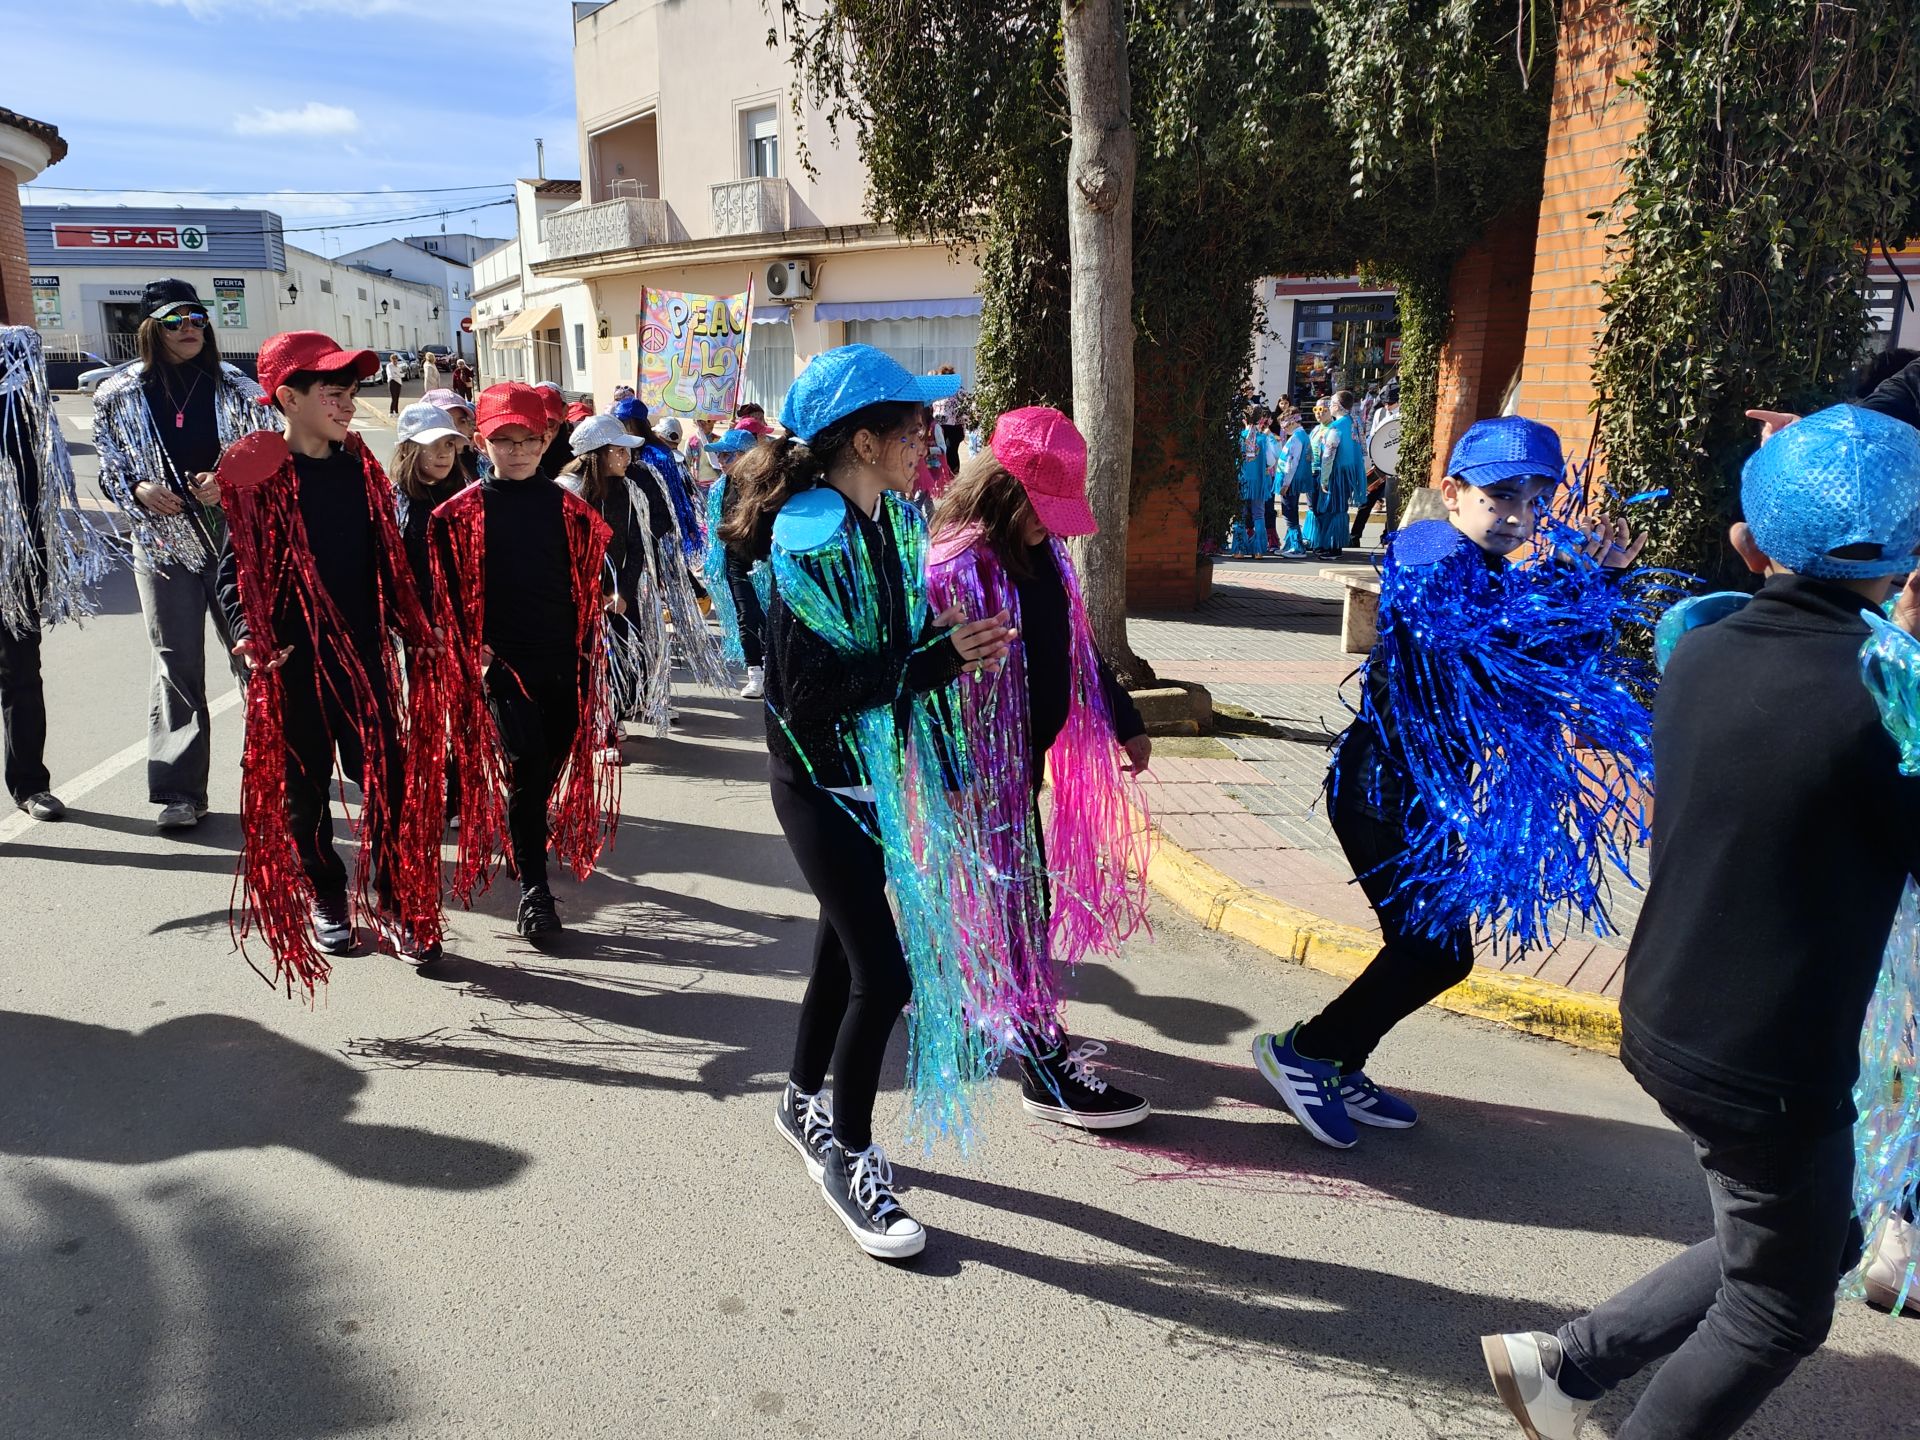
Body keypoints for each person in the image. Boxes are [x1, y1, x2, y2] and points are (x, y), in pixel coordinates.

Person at [1482, 404, 1920, 1440]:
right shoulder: (1881, 705)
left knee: (1801, 1226)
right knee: (1778, 1306)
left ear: (1748, 542)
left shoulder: (1705, 648)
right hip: (1770, 1063)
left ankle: (1564, 1366)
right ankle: (1574, 1378)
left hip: (1675, 1011)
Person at [1251, 415, 1656, 1152]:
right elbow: (1486, 637)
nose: (1516, 515)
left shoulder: (1497, 571)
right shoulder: (1429, 547)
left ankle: (1337, 1057)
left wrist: (1599, 581)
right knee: (1435, 952)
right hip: (1382, 791)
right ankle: (1306, 1053)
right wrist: (1577, 581)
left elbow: (1546, 665)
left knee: (1430, 950)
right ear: (1453, 491)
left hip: (1431, 799)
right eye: (1500, 495)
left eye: (1534, 501)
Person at [721, 344, 1011, 1260]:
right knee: (886, 975)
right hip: (817, 781)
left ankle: (799, 1100)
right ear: (864, 439)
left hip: (873, 772)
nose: (931, 435)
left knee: (841, 958)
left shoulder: (889, 518)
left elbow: (914, 640)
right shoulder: (812, 532)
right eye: (913, 423)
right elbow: (805, 693)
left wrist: (951, 675)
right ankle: (850, 1156)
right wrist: (939, 660)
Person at [927, 406, 1154, 1129]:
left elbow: (1073, 647)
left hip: (1019, 767)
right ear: (1000, 492)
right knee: (1013, 909)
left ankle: (981, 1012)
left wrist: (1124, 718)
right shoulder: (955, 566)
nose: (1051, 523)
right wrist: (954, 778)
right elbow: (925, 686)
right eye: (1040, 508)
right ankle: (1042, 1063)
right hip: (970, 778)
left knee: (1012, 905)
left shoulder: (1042, 555)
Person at [215, 331, 445, 985]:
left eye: (351, 392)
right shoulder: (259, 470)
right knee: (303, 798)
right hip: (291, 663)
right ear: (288, 398)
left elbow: (388, 556)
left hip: (366, 656)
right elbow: (237, 567)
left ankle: (397, 901)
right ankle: (325, 890)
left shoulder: (359, 465)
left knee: (389, 786)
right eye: (333, 393)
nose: (348, 405)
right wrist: (245, 628)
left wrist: (414, 621)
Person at [430, 383, 618, 944]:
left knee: (546, 768)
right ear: (480, 440)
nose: (516, 451)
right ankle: (535, 892)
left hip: (565, 663)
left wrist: (596, 622)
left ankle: (522, 842)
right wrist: (471, 644)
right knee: (528, 765)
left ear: (547, 441)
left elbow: (589, 582)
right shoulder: (457, 515)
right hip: (502, 667)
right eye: (503, 440)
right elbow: (440, 593)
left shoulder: (573, 511)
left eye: (528, 440)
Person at [93, 278, 276, 831]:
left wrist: (229, 483)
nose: (191, 329)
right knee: (176, 662)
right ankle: (179, 791)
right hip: (160, 544)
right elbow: (108, 467)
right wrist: (136, 491)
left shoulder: (237, 388)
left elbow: (269, 455)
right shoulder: (117, 393)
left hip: (235, 542)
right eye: (176, 321)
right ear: (152, 328)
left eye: (197, 318)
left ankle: (278, 775)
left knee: (255, 653)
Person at [0, 327, 112, 822]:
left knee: (21, 674)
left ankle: (31, 784)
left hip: (15, 549)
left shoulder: (15, 349)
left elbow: (38, 461)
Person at [556, 412, 652, 760]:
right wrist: (593, 595)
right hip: (577, 598)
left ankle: (611, 716)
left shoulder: (628, 491)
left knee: (619, 661)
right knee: (587, 662)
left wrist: (623, 594)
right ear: (597, 454)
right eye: (619, 450)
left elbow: (638, 546)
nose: (627, 458)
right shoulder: (566, 494)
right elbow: (561, 556)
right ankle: (598, 729)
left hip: (618, 599)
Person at [701, 426, 769, 698]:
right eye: (720, 456)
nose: (721, 461)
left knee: (768, 617)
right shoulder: (720, 488)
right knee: (746, 615)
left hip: (764, 562)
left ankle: (773, 668)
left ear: (745, 456)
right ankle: (755, 673)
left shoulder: (764, 487)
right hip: (735, 561)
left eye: (727, 456)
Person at [1305, 390, 1365, 558]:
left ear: (1337, 406)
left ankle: (1332, 547)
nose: (1329, 407)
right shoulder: (1355, 422)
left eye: (1331, 404)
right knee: (1340, 508)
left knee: (1332, 508)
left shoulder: (1336, 427)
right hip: (1349, 472)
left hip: (1336, 473)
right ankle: (1333, 544)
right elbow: (1363, 449)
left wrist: (1324, 478)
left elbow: (1328, 455)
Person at [424, 386, 486, 484]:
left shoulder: (479, 460)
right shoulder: (429, 473)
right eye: (447, 423)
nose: (458, 430)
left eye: (462, 421)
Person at [1236, 409, 1272, 556]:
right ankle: (1258, 550)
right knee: (1258, 514)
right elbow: (1271, 461)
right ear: (1259, 420)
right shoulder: (1264, 438)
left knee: (1240, 514)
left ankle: (1239, 550)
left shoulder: (1239, 438)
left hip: (1242, 480)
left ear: (1244, 419)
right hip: (1258, 482)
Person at [1275, 410, 1311, 557]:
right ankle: (1290, 544)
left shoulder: (1296, 438)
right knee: (1289, 511)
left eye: (1285, 423)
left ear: (1294, 421)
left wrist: (1286, 484)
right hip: (1292, 480)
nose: (1283, 428)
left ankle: (1297, 547)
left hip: (1290, 481)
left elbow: (1292, 462)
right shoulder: (1301, 436)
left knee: (1289, 512)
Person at [931, 365, 965, 473]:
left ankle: (953, 474)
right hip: (940, 426)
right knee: (941, 451)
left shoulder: (958, 390)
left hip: (954, 427)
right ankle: (943, 474)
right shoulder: (938, 390)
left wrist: (964, 419)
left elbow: (966, 405)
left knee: (951, 451)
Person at [384, 352, 406, 418]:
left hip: (398, 383)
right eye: (393, 359)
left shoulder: (398, 366)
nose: (394, 360)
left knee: (397, 398)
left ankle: (396, 411)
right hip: (392, 382)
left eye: (395, 359)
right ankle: (391, 412)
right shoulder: (389, 366)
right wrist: (398, 374)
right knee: (393, 398)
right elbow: (392, 374)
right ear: (391, 360)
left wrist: (398, 374)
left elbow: (403, 375)